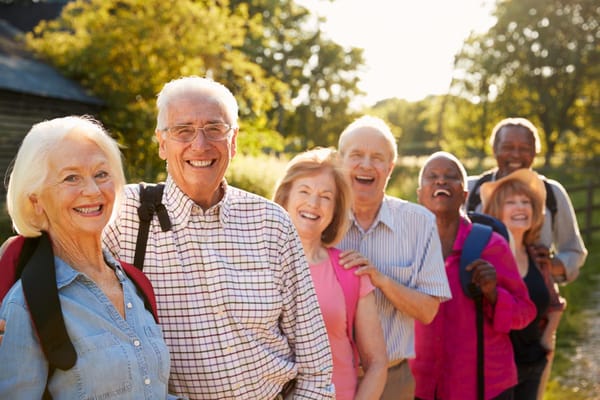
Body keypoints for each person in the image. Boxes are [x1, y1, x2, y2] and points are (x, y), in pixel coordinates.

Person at [102, 76, 334, 399]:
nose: (200, 144)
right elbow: (49, 246)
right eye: (183, 130)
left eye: (214, 128)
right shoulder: (122, 215)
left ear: (234, 140)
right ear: (161, 143)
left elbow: (316, 367)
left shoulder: (272, 224)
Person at [0, 116, 179, 399]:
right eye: (71, 177)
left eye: (101, 174)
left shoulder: (136, 286)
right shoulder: (25, 305)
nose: (93, 191)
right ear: (36, 201)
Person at [334, 116, 452, 400]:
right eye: (357, 155)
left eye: (377, 158)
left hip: (393, 382)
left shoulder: (420, 223)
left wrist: (382, 280)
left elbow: (428, 311)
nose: (366, 165)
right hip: (328, 381)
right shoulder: (318, 219)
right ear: (339, 161)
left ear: (390, 168)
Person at [410, 151, 536, 400]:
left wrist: (493, 293)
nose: (441, 181)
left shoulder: (490, 244)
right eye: (431, 176)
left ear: (464, 195)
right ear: (419, 194)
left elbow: (525, 312)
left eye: (451, 177)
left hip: (484, 386)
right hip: (420, 386)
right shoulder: (405, 246)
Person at [273, 147, 388, 400]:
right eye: (304, 191)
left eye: (326, 196)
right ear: (285, 197)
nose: (313, 204)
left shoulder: (350, 271)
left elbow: (377, 363)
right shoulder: (254, 264)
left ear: (335, 209)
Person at [466, 117, 587, 284]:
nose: (516, 154)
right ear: (494, 149)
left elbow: (574, 251)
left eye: (524, 148)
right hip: (478, 300)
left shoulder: (553, 193)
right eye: (508, 147)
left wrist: (549, 267)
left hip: (537, 302)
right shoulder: (469, 190)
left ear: (535, 152)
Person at [481, 169, 566, 399]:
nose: (521, 207)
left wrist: (547, 338)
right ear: (496, 210)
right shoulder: (485, 257)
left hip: (534, 361)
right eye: (511, 202)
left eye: (526, 202)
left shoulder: (537, 257)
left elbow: (555, 303)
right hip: (496, 368)